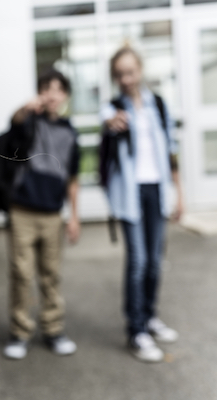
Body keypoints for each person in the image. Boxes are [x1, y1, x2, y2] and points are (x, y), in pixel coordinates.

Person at [101, 46, 183, 363]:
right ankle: (136, 331)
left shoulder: (158, 105)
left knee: (154, 262)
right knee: (138, 262)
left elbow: (171, 150)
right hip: (130, 194)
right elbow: (107, 120)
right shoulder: (113, 108)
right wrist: (113, 122)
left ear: (140, 70)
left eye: (130, 71)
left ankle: (149, 317)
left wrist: (180, 193)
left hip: (156, 190)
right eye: (119, 73)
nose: (126, 78)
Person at [2, 69, 80, 360]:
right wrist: (24, 109)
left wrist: (74, 217)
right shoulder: (28, 121)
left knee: (51, 274)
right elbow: (13, 129)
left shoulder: (70, 132)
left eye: (59, 89)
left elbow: (73, 178)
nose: (52, 94)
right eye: (47, 88)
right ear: (39, 92)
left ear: (66, 96)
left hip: (52, 214)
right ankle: (19, 333)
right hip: (22, 210)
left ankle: (53, 329)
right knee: (21, 274)